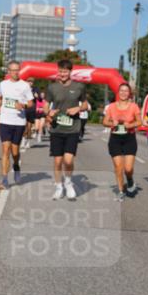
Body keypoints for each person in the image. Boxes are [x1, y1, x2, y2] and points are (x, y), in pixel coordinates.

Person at [46, 59, 89, 201]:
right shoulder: (52, 87)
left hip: (73, 128)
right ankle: (59, 187)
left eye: (65, 71)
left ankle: (68, 182)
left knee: (68, 160)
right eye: (60, 71)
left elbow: (85, 104)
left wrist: (78, 108)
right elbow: (46, 104)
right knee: (58, 161)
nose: (62, 74)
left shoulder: (79, 87)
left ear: (70, 72)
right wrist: (49, 113)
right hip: (56, 129)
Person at [0, 61, 33, 190]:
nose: (15, 72)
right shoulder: (3, 84)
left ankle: (16, 166)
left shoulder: (25, 86)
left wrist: (23, 105)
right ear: (9, 71)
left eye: (17, 70)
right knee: (5, 149)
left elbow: (31, 103)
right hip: (5, 120)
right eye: (13, 70)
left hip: (19, 122)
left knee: (15, 151)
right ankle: (4, 179)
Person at [102, 83, 141, 202]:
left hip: (129, 138)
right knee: (118, 167)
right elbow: (104, 122)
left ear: (129, 93)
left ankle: (129, 180)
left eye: (126, 91)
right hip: (115, 139)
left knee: (128, 169)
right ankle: (120, 191)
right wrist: (110, 123)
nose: (123, 93)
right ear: (118, 93)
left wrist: (130, 125)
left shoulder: (134, 106)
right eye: (121, 91)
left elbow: (139, 122)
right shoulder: (111, 106)